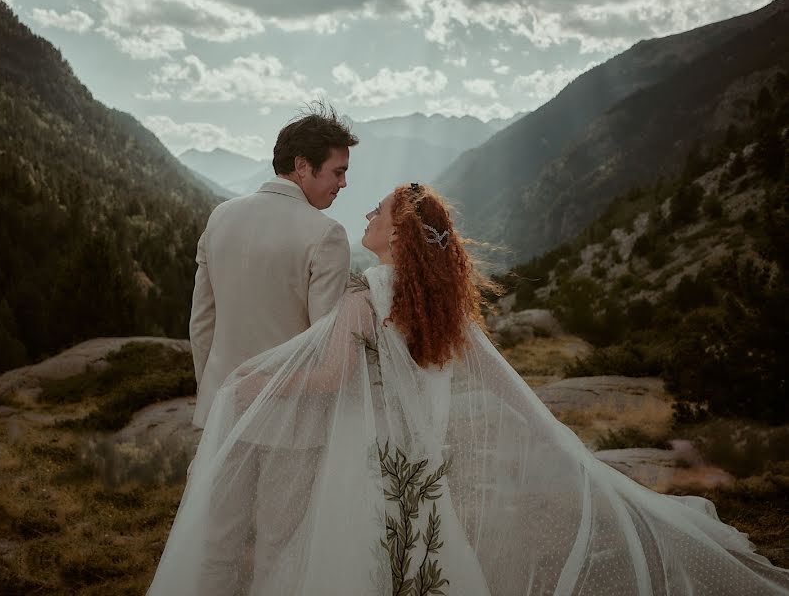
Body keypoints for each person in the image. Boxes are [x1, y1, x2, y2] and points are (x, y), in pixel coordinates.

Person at [150, 184, 789, 595]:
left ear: (397, 234)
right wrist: (557, 434)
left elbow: (328, 375)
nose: (367, 214)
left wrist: (251, 378)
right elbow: (500, 383)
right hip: (421, 468)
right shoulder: (439, 309)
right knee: (428, 561)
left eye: (379, 211)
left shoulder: (366, 294)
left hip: (367, 464)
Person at [179, 103, 357, 594]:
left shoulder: (221, 217)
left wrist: (214, 394)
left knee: (217, 548)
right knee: (281, 549)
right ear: (302, 165)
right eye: (337, 172)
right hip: (294, 422)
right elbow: (322, 343)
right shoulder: (326, 235)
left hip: (226, 411)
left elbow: (202, 323)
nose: (342, 184)